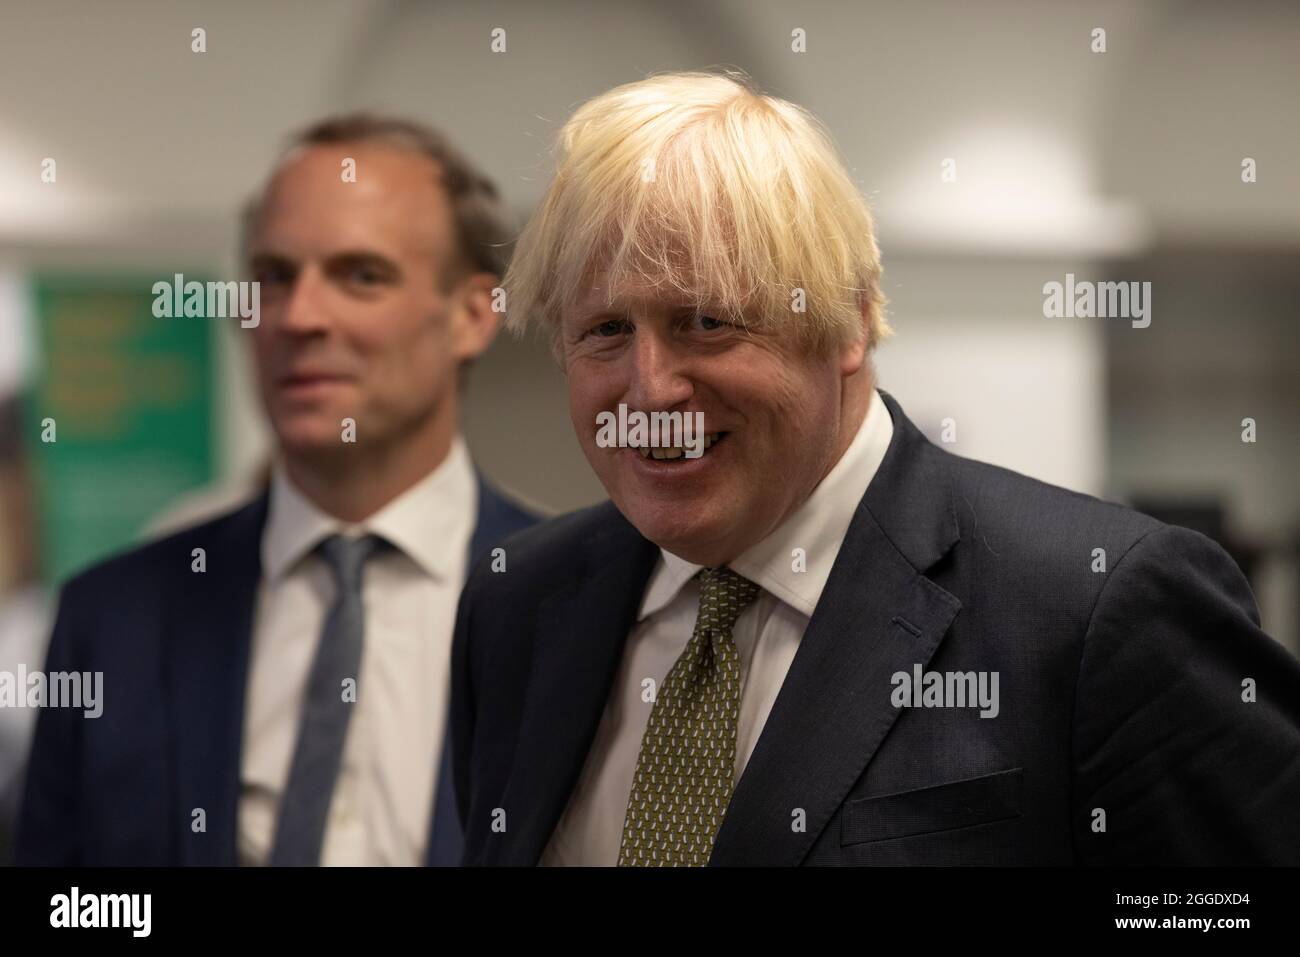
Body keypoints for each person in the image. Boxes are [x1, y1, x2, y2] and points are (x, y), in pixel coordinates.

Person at [450, 72, 1300, 866]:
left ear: (850, 326)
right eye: (605, 331)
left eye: (707, 319)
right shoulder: (519, 606)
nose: (652, 386)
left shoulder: (1097, 607)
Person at [18, 114, 537, 866]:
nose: (300, 316)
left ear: (471, 316)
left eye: (362, 274)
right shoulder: (115, 618)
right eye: (274, 276)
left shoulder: (573, 611)